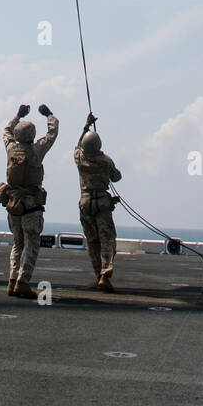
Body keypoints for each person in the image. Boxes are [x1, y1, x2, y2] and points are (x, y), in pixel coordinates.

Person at [0, 102, 58, 299]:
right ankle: (23, 281)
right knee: (32, 243)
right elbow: (52, 133)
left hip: (13, 205)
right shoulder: (37, 150)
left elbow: (6, 131)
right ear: (32, 136)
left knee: (17, 243)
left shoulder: (11, 150)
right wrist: (48, 114)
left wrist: (18, 115)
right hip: (31, 205)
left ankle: (12, 280)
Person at [74, 112, 122, 291]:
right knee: (107, 239)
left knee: (92, 241)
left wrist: (86, 126)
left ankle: (98, 276)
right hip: (102, 203)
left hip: (85, 203)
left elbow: (77, 146)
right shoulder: (105, 161)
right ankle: (104, 273)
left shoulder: (80, 159)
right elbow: (116, 177)